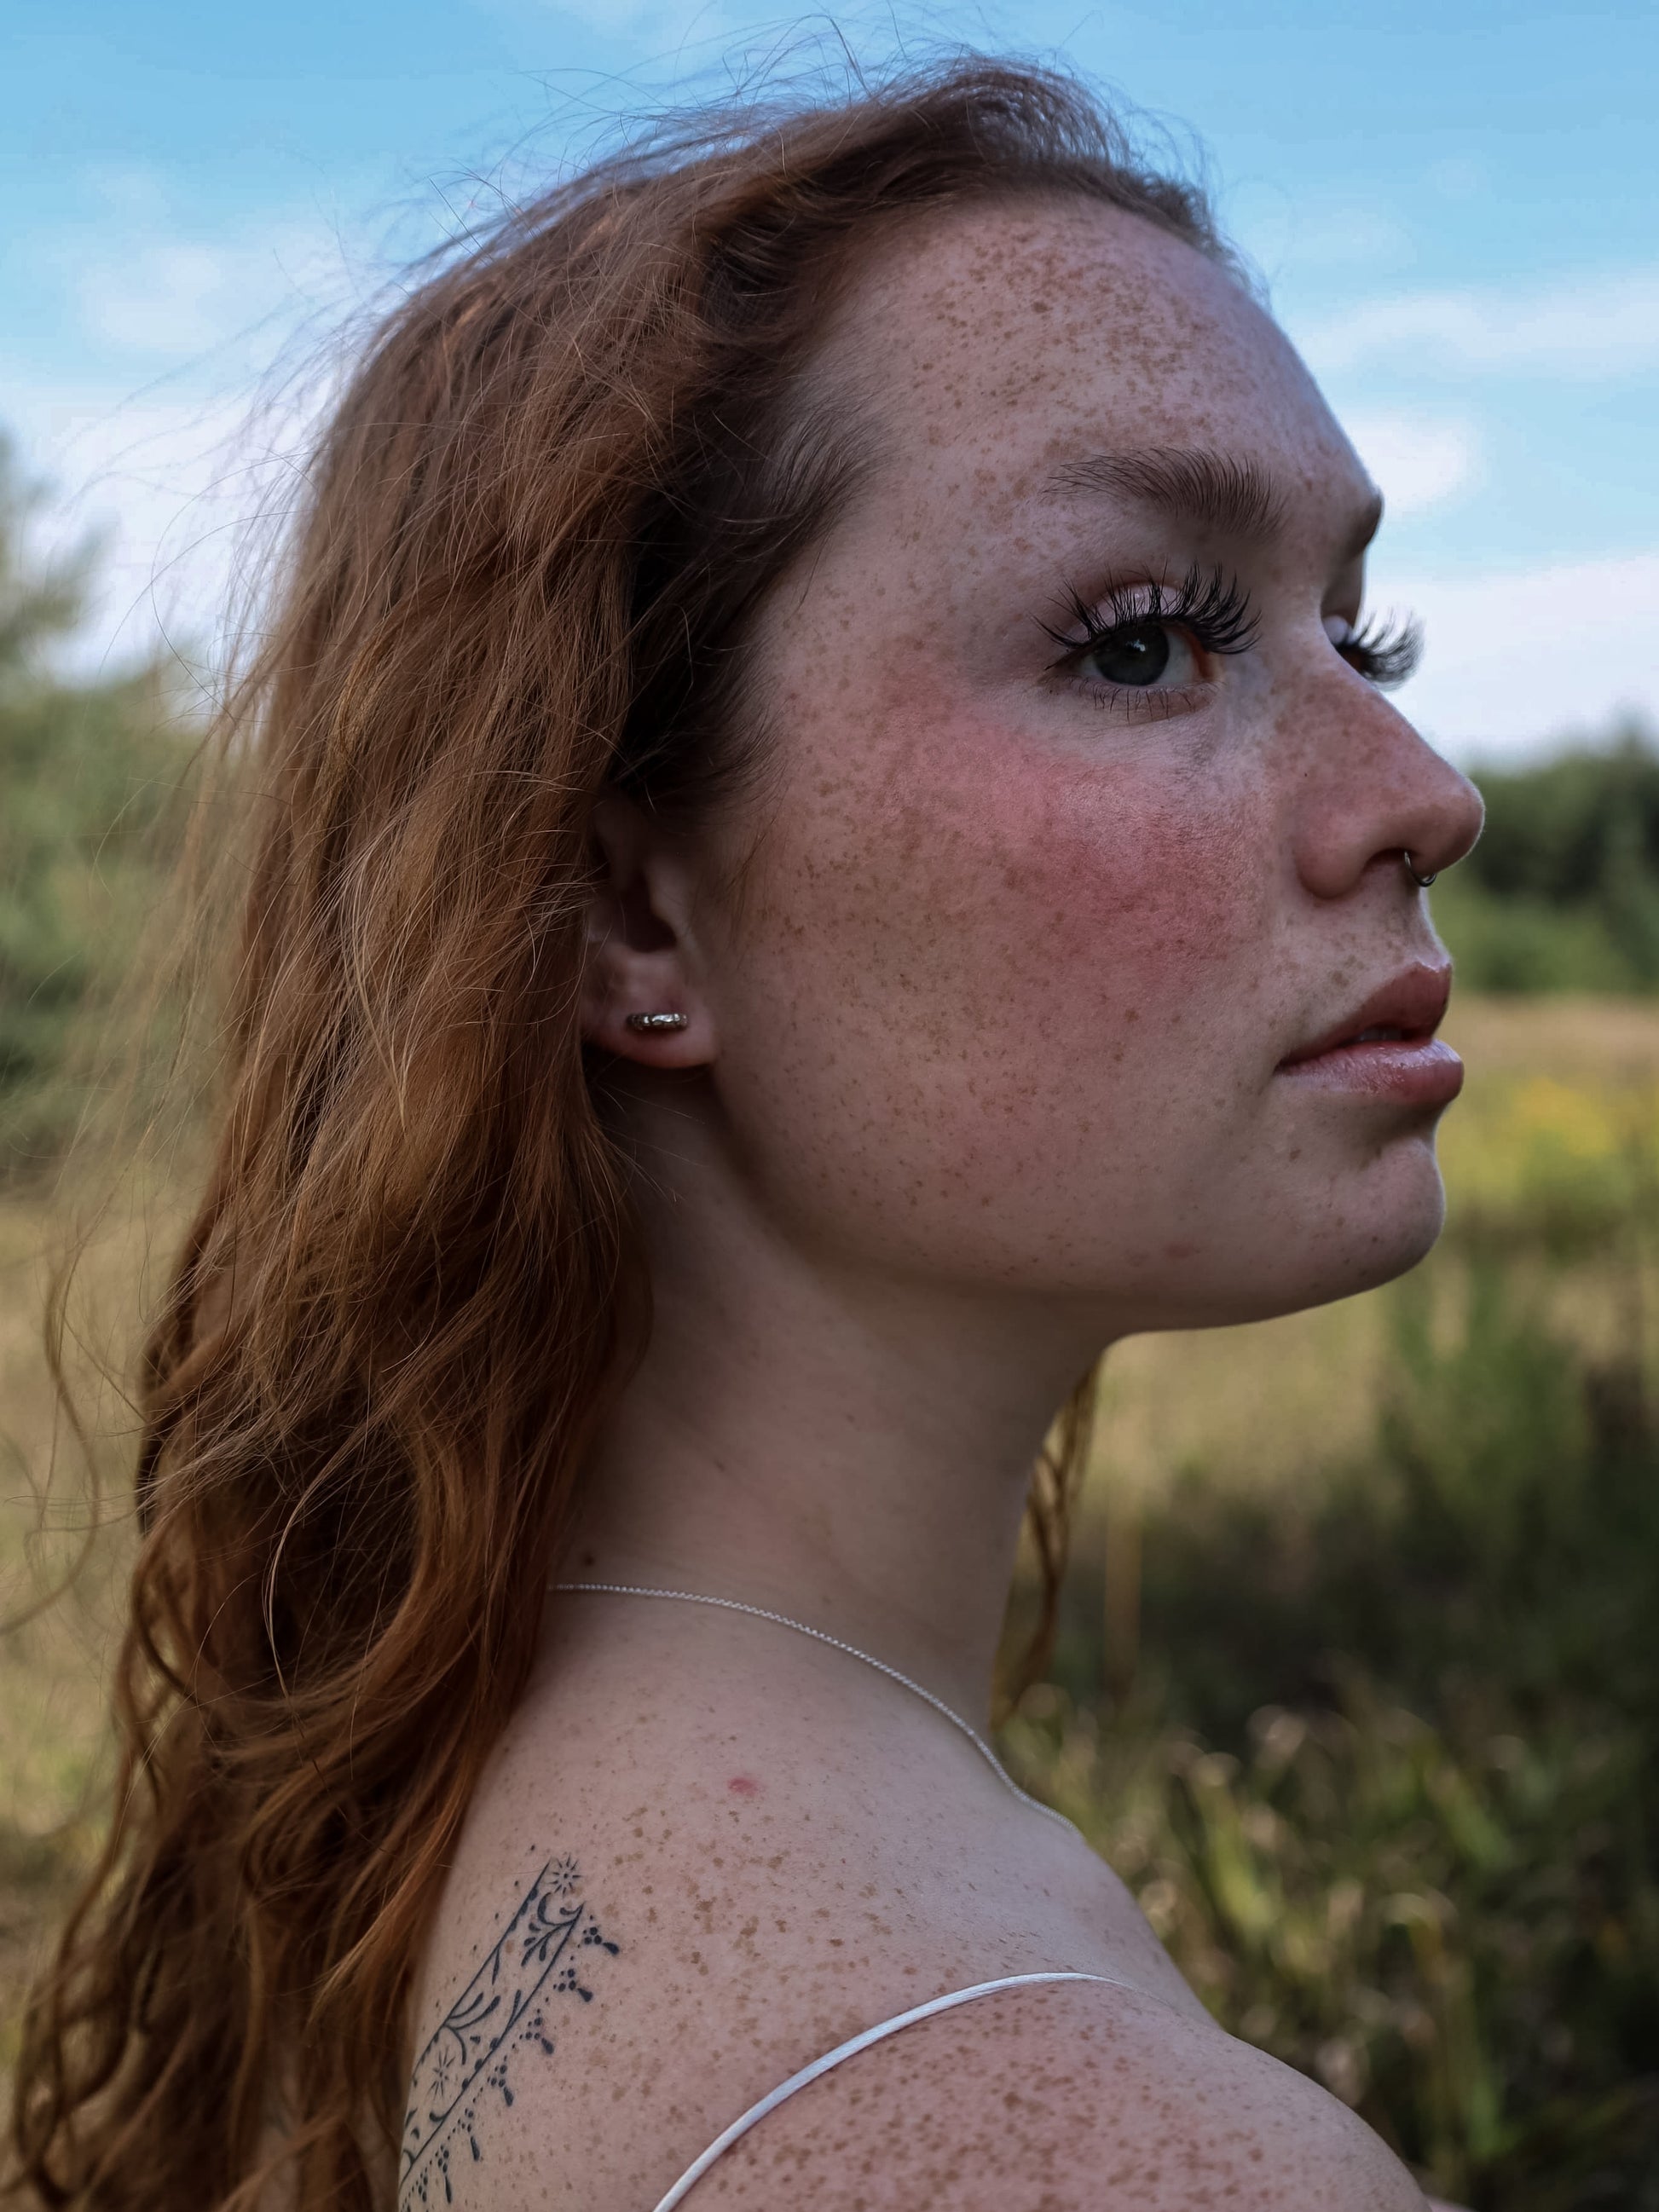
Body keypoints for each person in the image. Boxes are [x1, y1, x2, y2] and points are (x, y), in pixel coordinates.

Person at [11, 58, 1483, 2212]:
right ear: (631, 908)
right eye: (1145, 638)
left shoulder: (536, 1783)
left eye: (1360, 629)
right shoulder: (1056, 2136)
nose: (1423, 790)